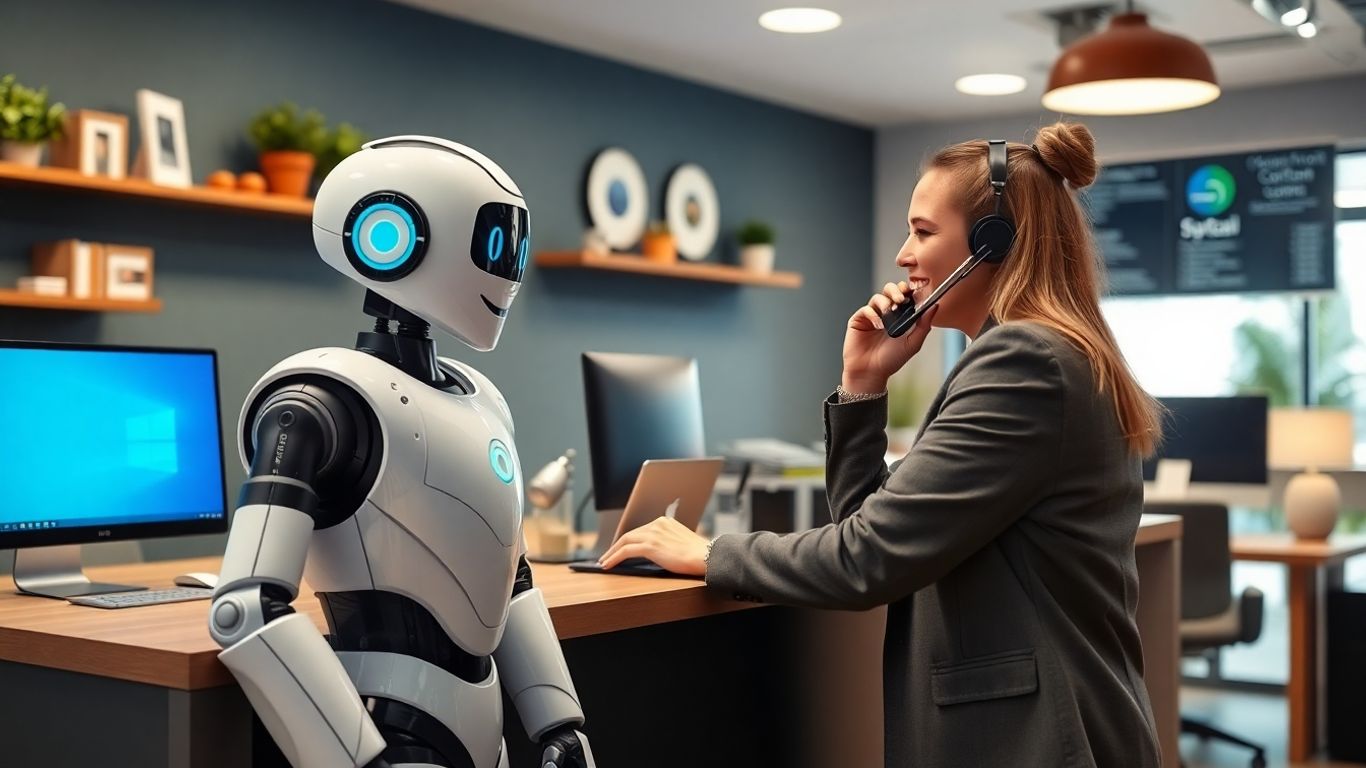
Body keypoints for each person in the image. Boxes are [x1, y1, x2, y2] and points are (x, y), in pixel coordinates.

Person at [599, 122, 1164, 768]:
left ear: (992, 243)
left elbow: (865, 559)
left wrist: (712, 554)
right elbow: (878, 533)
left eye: (923, 232)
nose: (903, 254)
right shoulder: (1051, 357)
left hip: (1039, 743)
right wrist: (863, 384)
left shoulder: (1024, 363)